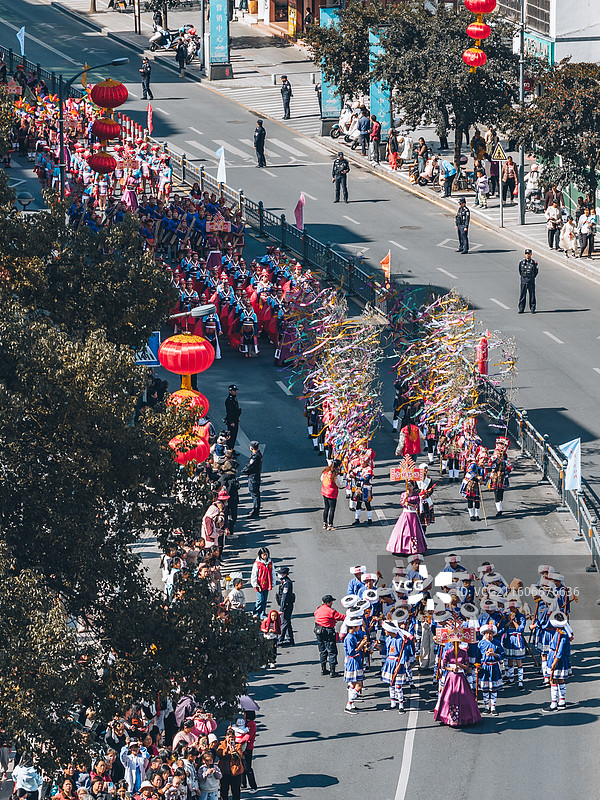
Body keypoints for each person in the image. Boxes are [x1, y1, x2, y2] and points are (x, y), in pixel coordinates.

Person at [433, 642, 481, 727]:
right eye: (454, 642)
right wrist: (451, 669)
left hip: (460, 677)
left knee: (464, 697)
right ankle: (449, 717)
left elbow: (466, 666)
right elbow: (444, 666)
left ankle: (465, 718)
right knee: (449, 697)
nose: (456, 644)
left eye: (457, 642)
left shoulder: (464, 652)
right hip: (451, 677)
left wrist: (459, 665)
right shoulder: (448, 652)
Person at [386, 481, 428, 555]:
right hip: (405, 514)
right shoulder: (403, 494)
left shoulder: (416, 495)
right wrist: (405, 497)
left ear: (413, 486)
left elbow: (416, 506)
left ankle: (414, 548)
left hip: (413, 515)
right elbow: (402, 503)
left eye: (410, 486)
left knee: (414, 532)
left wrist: (409, 503)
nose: (408, 487)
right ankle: (400, 547)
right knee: (402, 531)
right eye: (407, 486)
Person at [543, 610, 572, 712]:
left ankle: (554, 704)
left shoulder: (562, 634)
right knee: (559, 680)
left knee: (554, 680)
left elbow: (560, 650)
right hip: (555, 657)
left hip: (557, 659)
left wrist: (554, 662)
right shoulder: (560, 632)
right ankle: (562, 702)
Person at [476, 623, 504, 715]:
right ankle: (486, 707)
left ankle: (493, 707)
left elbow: (502, 655)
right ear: (484, 634)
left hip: (494, 667)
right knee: (485, 688)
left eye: (490, 633)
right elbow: (477, 657)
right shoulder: (481, 644)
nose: (489, 635)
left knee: (493, 688)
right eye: (487, 633)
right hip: (485, 667)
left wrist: (494, 655)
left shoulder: (496, 643)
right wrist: (477, 667)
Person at [313, 594, 344, 676]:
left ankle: (323, 669)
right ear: (329, 602)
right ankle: (332, 671)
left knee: (322, 651)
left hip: (319, 631)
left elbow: (316, 616)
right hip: (328, 632)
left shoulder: (318, 610)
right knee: (332, 651)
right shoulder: (331, 611)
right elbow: (339, 617)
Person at [342, 617, 367, 714]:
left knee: (353, 684)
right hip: (353, 662)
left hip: (355, 661)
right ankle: (349, 704)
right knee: (358, 685)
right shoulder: (349, 638)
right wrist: (361, 645)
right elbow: (352, 652)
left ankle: (351, 705)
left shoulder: (352, 636)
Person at [215, 730, 244, 800]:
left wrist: (234, 751)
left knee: (236, 792)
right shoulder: (222, 744)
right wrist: (226, 749)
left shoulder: (238, 745)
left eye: (232, 737)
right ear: (226, 737)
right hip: (224, 772)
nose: (231, 738)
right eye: (229, 736)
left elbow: (240, 756)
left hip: (235, 772)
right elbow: (218, 754)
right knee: (224, 792)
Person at [250, 547, 275, 619]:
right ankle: (256, 612)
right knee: (260, 599)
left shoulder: (270, 562)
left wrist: (273, 582)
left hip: (267, 584)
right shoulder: (257, 564)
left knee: (264, 600)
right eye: (264, 555)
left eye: (266, 554)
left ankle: (263, 613)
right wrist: (255, 584)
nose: (265, 556)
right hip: (259, 584)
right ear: (260, 555)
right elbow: (254, 575)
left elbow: (273, 572)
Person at [320, 460, 345, 530]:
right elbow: (340, 485)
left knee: (326, 507)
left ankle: (324, 523)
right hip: (331, 493)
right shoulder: (335, 474)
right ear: (339, 466)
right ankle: (330, 525)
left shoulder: (326, 471)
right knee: (332, 509)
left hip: (324, 491)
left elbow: (321, 479)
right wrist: (345, 483)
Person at [242, 441, 262, 518]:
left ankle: (256, 511)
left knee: (254, 494)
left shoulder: (255, 456)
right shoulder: (258, 454)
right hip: (255, 476)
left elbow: (250, 465)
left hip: (253, 477)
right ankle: (255, 509)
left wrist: (244, 471)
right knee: (255, 494)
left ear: (252, 447)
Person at [517, 248, 538, 314]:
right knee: (522, 295)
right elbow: (520, 271)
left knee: (532, 295)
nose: (527, 255)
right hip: (524, 280)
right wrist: (523, 278)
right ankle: (521, 308)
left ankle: (532, 308)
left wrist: (532, 277)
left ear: (531, 254)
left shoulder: (533, 263)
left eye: (528, 254)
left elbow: (535, 272)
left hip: (531, 280)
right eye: (526, 254)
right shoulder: (522, 263)